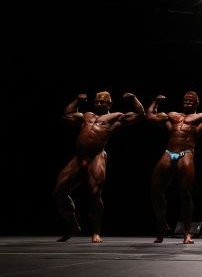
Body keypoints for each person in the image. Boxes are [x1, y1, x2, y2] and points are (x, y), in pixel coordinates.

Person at [53, 91, 145, 242]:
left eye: (103, 102)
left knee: (95, 193)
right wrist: (77, 100)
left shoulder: (115, 117)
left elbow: (139, 115)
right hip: (78, 158)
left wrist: (134, 98)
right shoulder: (86, 116)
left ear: (109, 103)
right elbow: (67, 115)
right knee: (58, 193)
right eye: (97, 101)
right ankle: (73, 224)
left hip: (96, 156)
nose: (100, 104)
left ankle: (96, 232)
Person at [146, 92, 202, 244]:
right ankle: (162, 225)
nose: (188, 101)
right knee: (155, 190)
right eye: (186, 99)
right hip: (169, 152)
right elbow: (150, 116)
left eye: (191, 100)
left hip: (186, 153)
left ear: (197, 103)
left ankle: (187, 233)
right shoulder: (172, 115)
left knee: (185, 194)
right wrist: (155, 102)